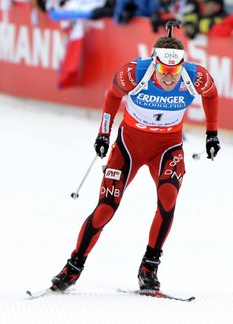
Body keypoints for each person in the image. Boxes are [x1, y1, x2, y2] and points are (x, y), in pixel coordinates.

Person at [50, 33, 220, 292]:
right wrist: (103, 134)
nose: (169, 77)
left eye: (175, 70)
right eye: (163, 69)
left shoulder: (195, 76)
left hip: (168, 147)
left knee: (168, 198)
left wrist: (212, 134)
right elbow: (112, 97)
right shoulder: (135, 73)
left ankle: (149, 267)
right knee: (106, 208)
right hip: (129, 146)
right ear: (154, 62)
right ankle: (73, 266)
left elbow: (211, 95)